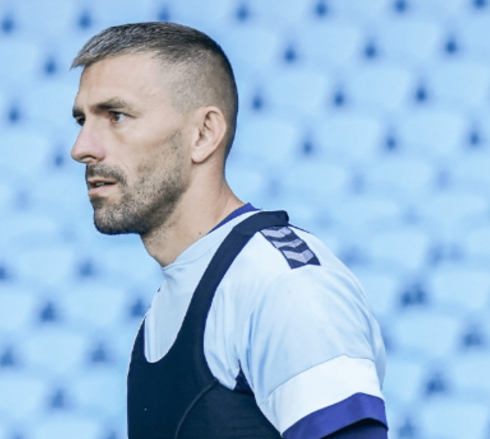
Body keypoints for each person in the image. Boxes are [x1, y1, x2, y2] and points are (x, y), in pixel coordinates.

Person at [70, 22, 388, 439]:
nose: (82, 148)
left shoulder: (282, 284)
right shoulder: (170, 303)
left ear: (203, 134)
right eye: (82, 120)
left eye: (116, 116)